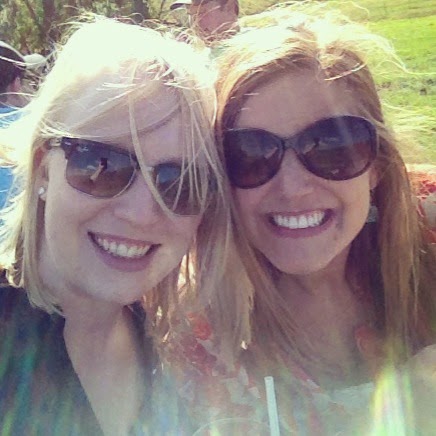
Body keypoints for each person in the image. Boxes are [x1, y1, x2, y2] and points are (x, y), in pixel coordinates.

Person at [168, 5, 436, 434]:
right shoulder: (201, 337)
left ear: (377, 165)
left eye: (332, 146)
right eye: (250, 154)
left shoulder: (427, 230)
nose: (292, 188)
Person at [0, 16, 229, 435]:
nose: (141, 213)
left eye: (179, 182)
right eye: (101, 165)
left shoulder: (174, 353)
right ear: (43, 168)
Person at [170, 0, 239, 44]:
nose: (196, 23)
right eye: (192, 15)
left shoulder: (243, 52)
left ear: (229, 7)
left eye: (201, 13)